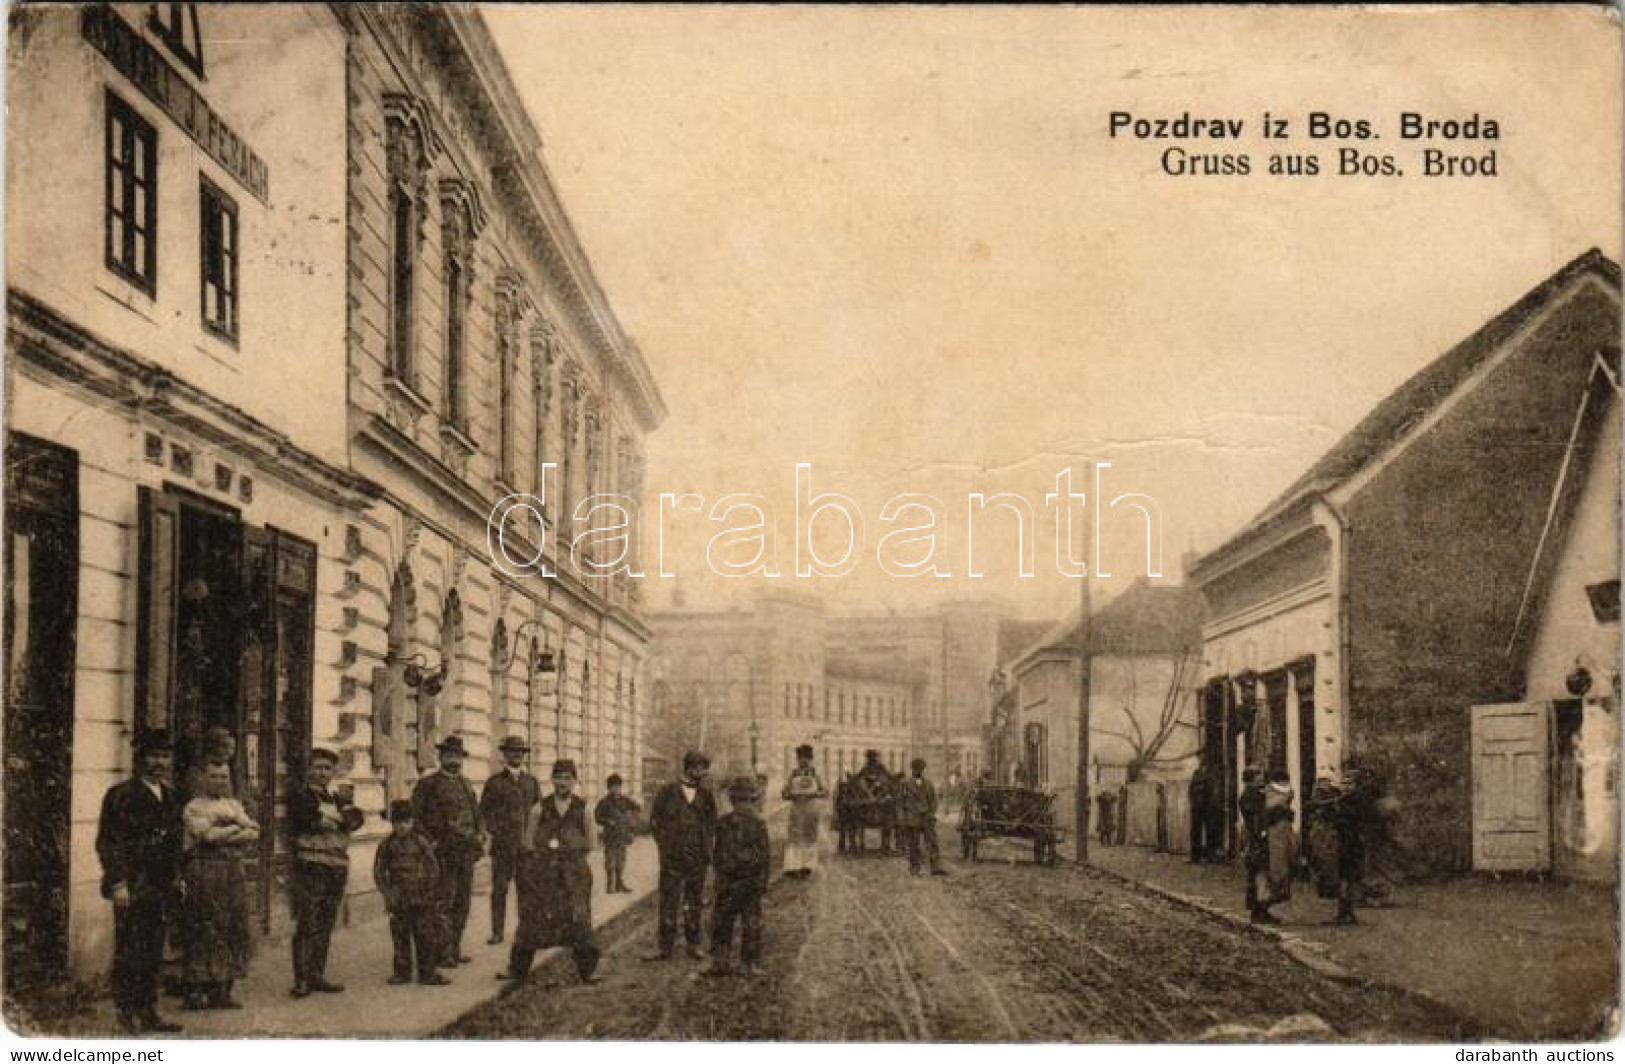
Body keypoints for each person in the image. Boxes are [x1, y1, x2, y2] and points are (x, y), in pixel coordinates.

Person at [96, 730, 186, 1034]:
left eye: (164, 756)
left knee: (152, 951)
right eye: (153, 756)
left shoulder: (172, 796)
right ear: (140, 759)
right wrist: (118, 883)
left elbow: (175, 843)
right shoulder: (121, 795)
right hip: (133, 886)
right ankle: (125, 1015)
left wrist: (176, 877)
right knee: (129, 951)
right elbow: (109, 843)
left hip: (159, 886)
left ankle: (149, 1011)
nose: (159, 762)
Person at [505, 759, 600, 985]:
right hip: (544, 874)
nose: (563, 783)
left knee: (579, 919)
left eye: (568, 778)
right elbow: (528, 843)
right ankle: (517, 970)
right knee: (533, 919)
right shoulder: (539, 808)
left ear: (575, 781)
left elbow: (592, 844)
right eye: (559, 778)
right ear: (552, 780)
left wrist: (571, 857)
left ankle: (588, 971)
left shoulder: (584, 809)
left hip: (574, 875)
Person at [179, 758, 259, 1010]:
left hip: (233, 871)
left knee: (232, 926)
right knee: (203, 925)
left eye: (224, 777)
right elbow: (206, 835)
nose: (220, 781)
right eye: (214, 776)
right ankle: (195, 989)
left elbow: (254, 831)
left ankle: (222, 989)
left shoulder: (234, 804)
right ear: (204, 778)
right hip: (204, 870)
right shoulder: (194, 806)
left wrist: (223, 831)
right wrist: (235, 828)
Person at [288, 747, 364, 997]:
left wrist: (333, 817)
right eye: (318, 767)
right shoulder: (300, 795)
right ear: (308, 769)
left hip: (336, 867)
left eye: (327, 769)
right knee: (308, 922)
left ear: (333, 773)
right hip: (310, 866)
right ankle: (301, 979)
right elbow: (307, 820)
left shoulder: (336, 797)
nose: (322, 773)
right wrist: (336, 819)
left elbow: (356, 820)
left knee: (326, 923)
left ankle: (317, 974)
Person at [413, 734, 484, 968]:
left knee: (462, 902)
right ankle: (440, 953)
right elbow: (416, 819)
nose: (453, 760)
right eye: (449, 755)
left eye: (457, 756)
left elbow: (476, 813)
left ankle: (455, 947)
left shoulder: (466, 784)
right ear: (440, 757)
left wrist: (481, 833)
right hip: (442, 853)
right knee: (443, 900)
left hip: (466, 852)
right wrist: (430, 844)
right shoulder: (428, 784)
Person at [644, 751, 717, 961]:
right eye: (701, 768)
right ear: (690, 768)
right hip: (672, 858)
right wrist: (665, 847)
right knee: (669, 901)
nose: (704, 772)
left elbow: (712, 824)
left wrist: (707, 849)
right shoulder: (667, 792)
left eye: (705, 768)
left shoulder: (706, 795)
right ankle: (664, 947)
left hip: (697, 858)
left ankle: (693, 945)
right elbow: (655, 822)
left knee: (694, 901)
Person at [374, 799, 448, 986]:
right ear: (392, 824)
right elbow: (379, 871)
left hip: (420, 896)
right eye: (397, 822)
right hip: (398, 897)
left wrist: (428, 889)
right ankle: (401, 972)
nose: (401, 827)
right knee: (400, 936)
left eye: (405, 822)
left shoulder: (420, 842)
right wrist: (387, 892)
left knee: (424, 936)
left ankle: (427, 973)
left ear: (412, 822)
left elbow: (433, 867)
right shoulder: (386, 845)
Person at [704, 778, 770, 977]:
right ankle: (738, 963)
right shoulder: (753, 823)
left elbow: (718, 854)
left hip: (736, 881)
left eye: (745, 801)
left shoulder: (733, 823)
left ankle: (730, 962)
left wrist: (721, 875)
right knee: (737, 923)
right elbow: (764, 856)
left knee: (732, 922)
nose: (744, 805)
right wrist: (762, 882)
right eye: (741, 801)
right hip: (741, 881)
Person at [479, 735, 539, 945]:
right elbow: (484, 812)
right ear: (505, 755)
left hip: (526, 848)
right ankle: (497, 932)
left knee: (527, 890)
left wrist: (534, 838)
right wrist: (497, 831)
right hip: (503, 847)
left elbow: (538, 812)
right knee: (500, 890)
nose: (517, 755)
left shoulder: (531, 782)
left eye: (520, 752)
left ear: (524, 756)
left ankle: (527, 931)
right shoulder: (495, 783)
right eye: (512, 752)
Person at [780, 745, 826, 879]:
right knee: (794, 836)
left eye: (806, 759)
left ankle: (807, 866)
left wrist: (814, 793)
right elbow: (784, 792)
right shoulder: (793, 774)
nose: (803, 762)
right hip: (796, 807)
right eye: (800, 759)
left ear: (810, 760)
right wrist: (790, 795)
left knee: (809, 837)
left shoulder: (816, 774)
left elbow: (824, 791)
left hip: (811, 808)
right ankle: (792, 866)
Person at [896, 758, 946, 876]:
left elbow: (933, 801)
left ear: (923, 769)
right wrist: (902, 819)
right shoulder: (905, 784)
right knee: (914, 844)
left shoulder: (928, 784)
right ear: (912, 769)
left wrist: (932, 813)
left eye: (920, 768)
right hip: (912, 818)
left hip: (926, 818)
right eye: (916, 768)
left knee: (933, 842)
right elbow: (899, 803)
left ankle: (936, 867)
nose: (918, 771)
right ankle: (914, 868)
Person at [594, 773, 642, 893]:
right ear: (608, 788)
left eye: (618, 787)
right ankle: (610, 884)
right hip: (610, 836)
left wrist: (631, 820)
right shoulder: (604, 802)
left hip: (622, 835)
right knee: (610, 861)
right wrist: (607, 821)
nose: (615, 789)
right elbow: (597, 817)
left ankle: (619, 884)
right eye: (613, 787)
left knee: (621, 861)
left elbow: (637, 808)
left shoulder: (625, 800)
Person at [1238, 767, 1274, 924]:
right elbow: (1257, 819)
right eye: (1259, 775)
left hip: (1256, 839)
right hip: (1257, 840)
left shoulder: (1254, 794)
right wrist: (1263, 834)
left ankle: (1261, 910)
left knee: (1260, 874)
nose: (1262, 778)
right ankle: (1259, 911)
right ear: (1252, 779)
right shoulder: (1250, 797)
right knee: (1260, 874)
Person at [1264, 770, 1298, 909]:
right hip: (1276, 830)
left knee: (1288, 858)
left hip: (1285, 830)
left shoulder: (1283, 792)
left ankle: (1282, 890)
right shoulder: (1271, 793)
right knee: (1278, 862)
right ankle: (1276, 892)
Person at [1187, 765, 1212, 862]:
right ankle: (1195, 856)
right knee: (1195, 831)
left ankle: (1209, 856)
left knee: (1210, 831)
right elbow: (1191, 788)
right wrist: (1193, 800)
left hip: (1208, 806)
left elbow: (1211, 789)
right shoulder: (1196, 773)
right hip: (1196, 806)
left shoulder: (1211, 774)